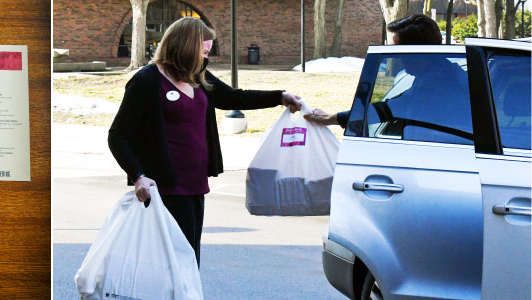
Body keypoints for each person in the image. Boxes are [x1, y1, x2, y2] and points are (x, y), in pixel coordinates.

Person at [107, 17, 303, 265]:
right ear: (185, 47)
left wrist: (280, 97)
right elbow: (118, 135)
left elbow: (234, 98)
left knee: (188, 260)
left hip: (195, 185)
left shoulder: (197, 76)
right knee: (167, 265)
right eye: (203, 52)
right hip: (163, 189)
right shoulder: (147, 80)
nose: (205, 59)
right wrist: (138, 176)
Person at [307, 14, 445, 127]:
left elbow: (392, 109)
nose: (397, 59)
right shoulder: (441, 74)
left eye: (399, 51)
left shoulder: (436, 83)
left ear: (417, 52)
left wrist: (330, 119)